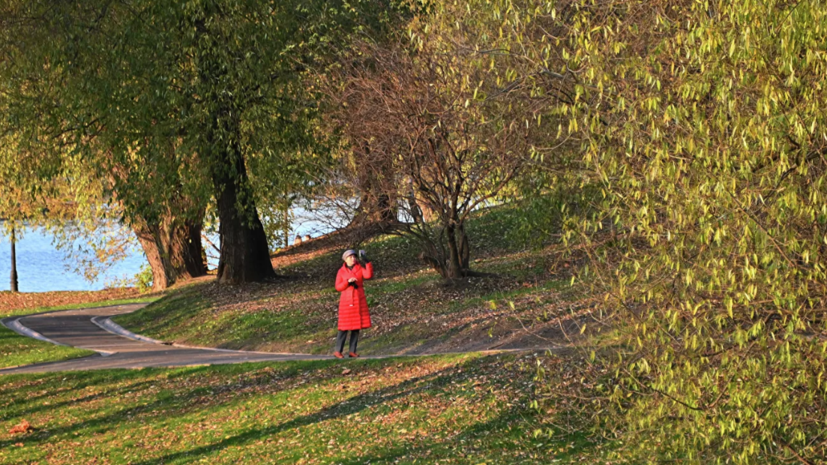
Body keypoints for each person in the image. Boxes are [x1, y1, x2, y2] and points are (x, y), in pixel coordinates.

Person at [334, 249, 373, 358]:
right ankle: (338, 351)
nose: (353, 259)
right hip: (346, 301)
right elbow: (338, 287)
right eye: (350, 257)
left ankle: (352, 351)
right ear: (345, 259)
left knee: (356, 327)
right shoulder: (341, 271)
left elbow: (368, 275)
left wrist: (367, 262)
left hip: (358, 300)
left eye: (354, 257)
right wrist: (347, 282)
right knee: (344, 327)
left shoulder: (359, 268)